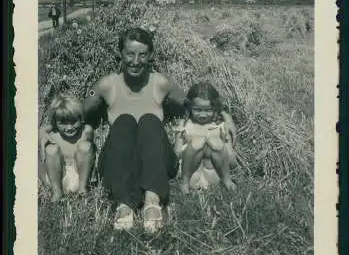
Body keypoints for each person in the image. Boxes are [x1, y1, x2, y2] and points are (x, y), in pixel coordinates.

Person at [83, 27, 187, 233]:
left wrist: (224, 118)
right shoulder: (107, 85)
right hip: (119, 159)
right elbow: (77, 111)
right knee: (124, 122)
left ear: (151, 55)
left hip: (155, 158)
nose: (136, 61)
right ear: (120, 53)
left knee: (149, 120)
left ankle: (152, 200)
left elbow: (193, 104)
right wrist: (48, 128)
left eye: (142, 54)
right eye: (130, 53)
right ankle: (124, 204)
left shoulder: (161, 83)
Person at [173, 82, 237, 194]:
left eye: (208, 110)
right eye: (197, 110)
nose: (202, 115)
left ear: (215, 108)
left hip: (214, 178)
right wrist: (191, 148)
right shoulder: (185, 125)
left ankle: (227, 180)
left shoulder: (220, 127)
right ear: (189, 107)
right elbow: (176, 155)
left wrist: (218, 147)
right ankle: (184, 183)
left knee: (215, 142)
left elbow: (232, 162)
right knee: (197, 142)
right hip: (191, 176)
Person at [39, 93, 96, 202]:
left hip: (79, 177)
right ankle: (57, 193)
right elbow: (40, 131)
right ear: (55, 122)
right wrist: (42, 137)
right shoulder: (52, 134)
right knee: (51, 149)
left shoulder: (86, 131)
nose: (69, 127)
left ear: (81, 118)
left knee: (85, 146)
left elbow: (90, 152)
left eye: (74, 121)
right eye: (63, 123)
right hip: (57, 178)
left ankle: (82, 190)